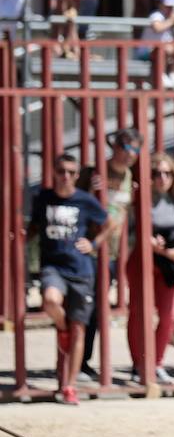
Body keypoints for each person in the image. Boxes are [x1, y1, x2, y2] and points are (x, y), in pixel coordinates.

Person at [29, 154, 109, 404]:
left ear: (76, 176)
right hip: (53, 266)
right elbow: (33, 226)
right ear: (54, 172)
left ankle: (69, 386)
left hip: (81, 270)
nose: (65, 176)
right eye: (61, 171)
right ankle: (61, 327)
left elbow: (110, 223)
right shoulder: (43, 198)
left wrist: (94, 243)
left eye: (71, 172)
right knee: (51, 301)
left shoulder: (85, 201)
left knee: (79, 330)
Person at [75, 127, 141, 383]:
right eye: (126, 148)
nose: (130, 155)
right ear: (115, 147)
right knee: (85, 307)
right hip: (88, 249)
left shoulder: (130, 178)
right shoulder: (95, 173)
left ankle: (85, 361)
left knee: (100, 307)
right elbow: (75, 206)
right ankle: (78, 362)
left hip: (113, 252)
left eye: (135, 150)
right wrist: (90, 192)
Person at [126, 152, 174, 387]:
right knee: (139, 313)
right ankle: (138, 364)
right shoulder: (141, 198)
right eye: (156, 173)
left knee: (169, 313)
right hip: (142, 261)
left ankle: (156, 362)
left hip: (167, 267)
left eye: (167, 173)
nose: (162, 178)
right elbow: (142, 234)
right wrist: (166, 252)